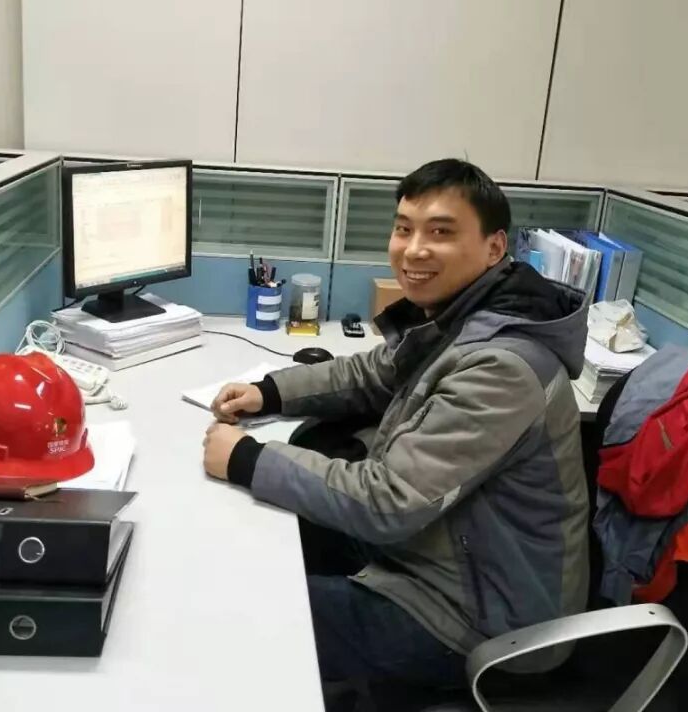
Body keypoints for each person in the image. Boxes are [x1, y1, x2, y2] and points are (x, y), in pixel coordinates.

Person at [201, 158, 590, 694]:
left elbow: (388, 501)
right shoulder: (465, 317)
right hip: (434, 555)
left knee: (245, 610)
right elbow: (373, 372)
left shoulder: (502, 367)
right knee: (257, 541)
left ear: (495, 247)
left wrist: (246, 458)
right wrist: (270, 391)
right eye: (404, 228)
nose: (413, 249)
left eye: (441, 233)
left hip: (479, 621)